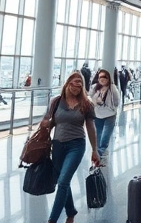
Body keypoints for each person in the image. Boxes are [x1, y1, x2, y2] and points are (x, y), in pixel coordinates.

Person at [39, 72, 101, 223]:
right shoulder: (56, 102)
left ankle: (52, 219)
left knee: (63, 181)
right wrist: (45, 123)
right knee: (62, 180)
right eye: (74, 83)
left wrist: (94, 150)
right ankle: (71, 212)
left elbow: (90, 127)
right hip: (58, 145)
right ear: (67, 83)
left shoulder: (86, 104)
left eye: (80, 85)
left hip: (76, 145)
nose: (77, 88)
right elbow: (50, 121)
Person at [90, 68, 120, 161]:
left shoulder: (112, 88)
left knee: (106, 134)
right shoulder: (95, 87)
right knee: (98, 133)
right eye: (100, 77)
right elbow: (91, 97)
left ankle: (101, 151)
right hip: (98, 113)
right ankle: (99, 151)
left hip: (110, 114)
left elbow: (116, 101)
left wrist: (112, 107)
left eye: (104, 77)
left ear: (108, 78)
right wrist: (97, 100)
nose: (102, 79)